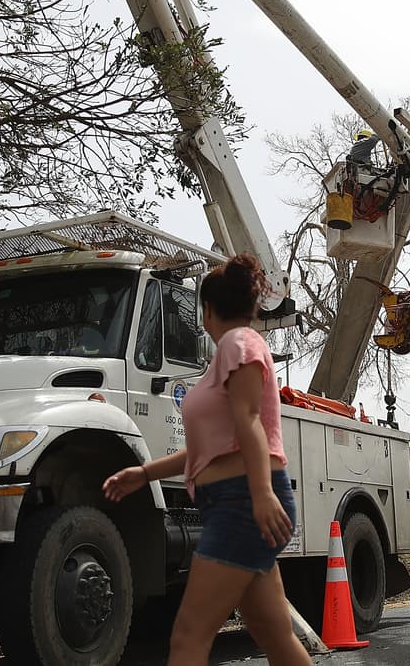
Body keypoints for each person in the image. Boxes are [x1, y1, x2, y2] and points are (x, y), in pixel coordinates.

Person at [102, 254, 312, 666]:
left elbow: (249, 420)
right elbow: (207, 452)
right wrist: (144, 473)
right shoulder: (229, 355)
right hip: (235, 501)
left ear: (208, 310)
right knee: (273, 634)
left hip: (241, 503)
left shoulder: (238, 343)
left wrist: (261, 494)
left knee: (188, 636)